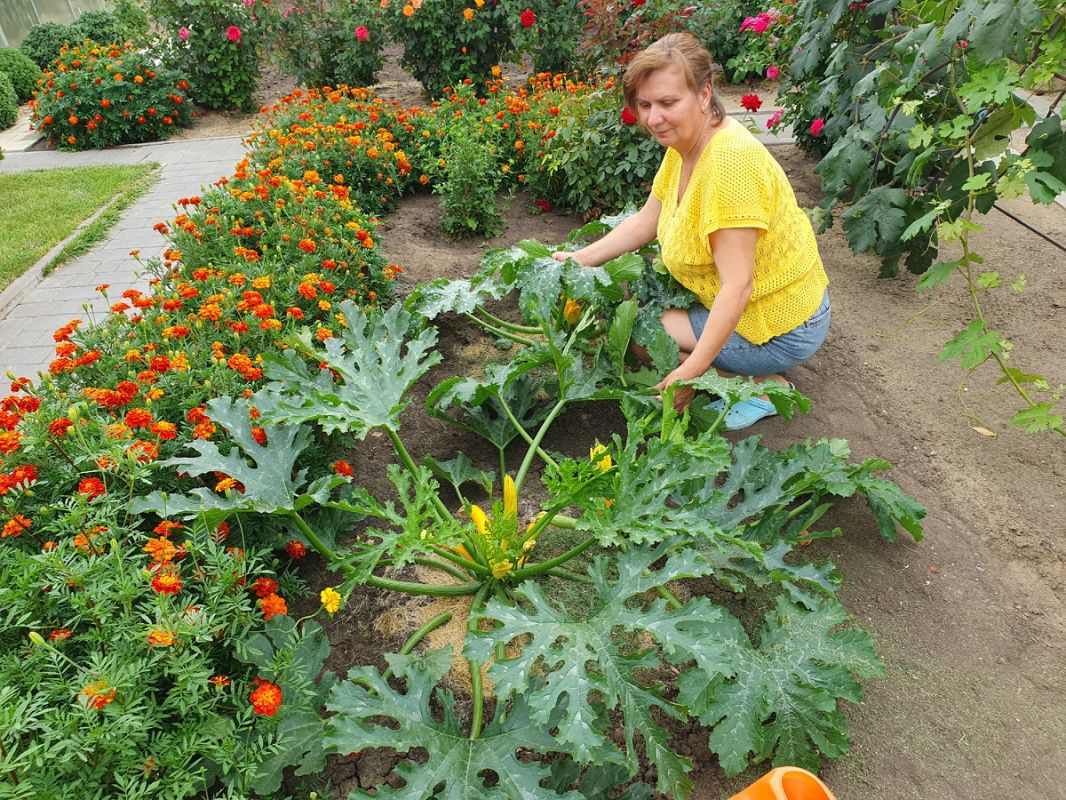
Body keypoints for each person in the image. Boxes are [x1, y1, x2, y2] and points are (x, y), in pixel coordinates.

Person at [552, 32, 830, 430]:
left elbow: (738, 286)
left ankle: (761, 386)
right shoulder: (687, 144)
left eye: (667, 103)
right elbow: (647, 221)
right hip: (762, 308)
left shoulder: (729, 164)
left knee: (640, 334)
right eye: (644, 105)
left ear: (704, 94)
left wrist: (692, 372)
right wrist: (577, 259)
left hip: (779, 323)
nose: (653, 117)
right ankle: (737, 372)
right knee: (643, 326)